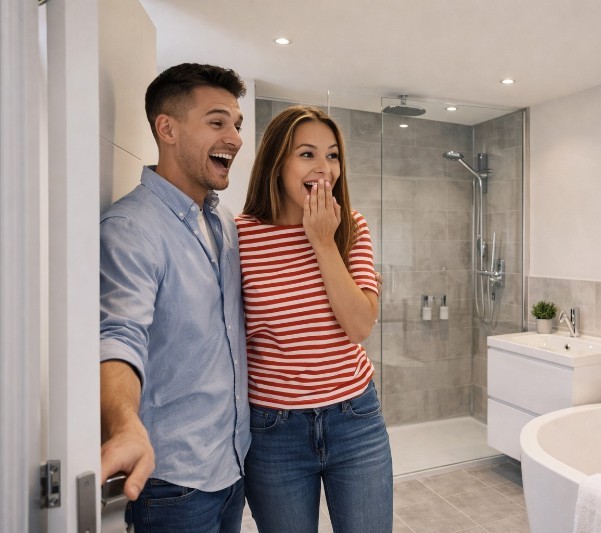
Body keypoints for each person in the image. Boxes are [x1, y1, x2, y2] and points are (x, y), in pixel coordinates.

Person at [99, 63, 250, 533]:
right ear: (167, 129)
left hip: (231, 465)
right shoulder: (131, 228)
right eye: (217, 121)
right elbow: (118, 335)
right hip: (173, 484)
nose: (236, 138)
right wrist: (124, 424)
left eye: (237, 125)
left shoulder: (223, 221)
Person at [236, 105, 393, 532]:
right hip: (274, 429)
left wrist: (323, 241)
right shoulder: (240, 236)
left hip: (355, 419)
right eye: (307, 154)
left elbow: (359, 326)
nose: (324, 168)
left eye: (332, 155)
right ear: (277, 162)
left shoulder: (351, 228)